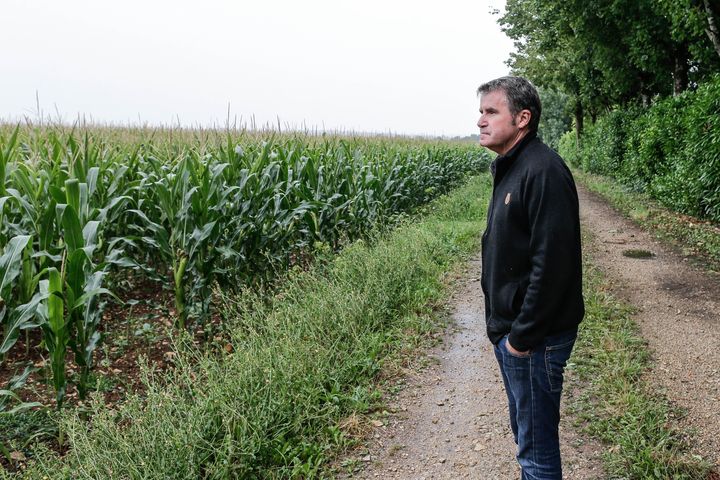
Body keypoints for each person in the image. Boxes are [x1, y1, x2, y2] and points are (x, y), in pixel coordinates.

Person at [476, 76, 584, 479]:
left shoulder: (542, 170)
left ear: (523, 118)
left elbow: (553, 264)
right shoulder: (514, 166)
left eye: (491, 111)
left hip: (534, 340)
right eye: (481, 111)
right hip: (518, 335)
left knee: (536, 453)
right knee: (529, 441)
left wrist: (521, 339)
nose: (481, 121)